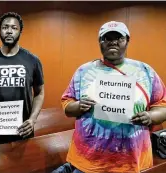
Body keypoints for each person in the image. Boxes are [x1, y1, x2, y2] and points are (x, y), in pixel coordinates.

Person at [53, 21, 166, 173]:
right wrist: (79, 106)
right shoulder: (84, 71)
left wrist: (150, 116)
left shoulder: (145, 71)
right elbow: (67, 104)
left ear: (127, 41)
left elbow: (162, 105)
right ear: (100, 42)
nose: (113, 42)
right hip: (88, 160)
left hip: (131, 161)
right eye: (107, 38)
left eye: (119, 38)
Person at [0, 12, 45, 146]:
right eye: (5, 27)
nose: (9, 31)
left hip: (23, 131)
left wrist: (32, 120)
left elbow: (39, 92)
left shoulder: (32, 60)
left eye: (14, 28)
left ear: (20, 31)